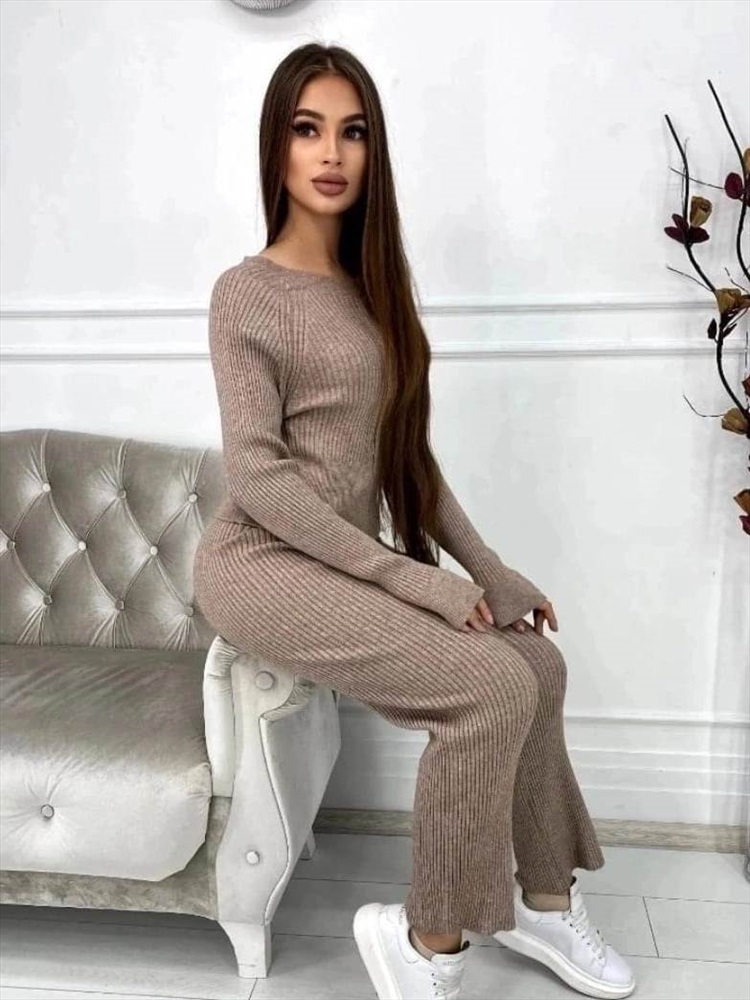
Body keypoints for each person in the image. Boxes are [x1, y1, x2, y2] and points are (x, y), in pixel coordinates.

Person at [193, 42, 636, 1000]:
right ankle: (428, 943)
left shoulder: (376, 293)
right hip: (258, 563)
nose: (331, 153)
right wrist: (413, 576)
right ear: (275, 146)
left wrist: (489, 569)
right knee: (486, 687)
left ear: (373, 151)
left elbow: (408, 465)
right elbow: (260, 480)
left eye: (352, 132)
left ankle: (544, 905)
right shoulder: (245, 294)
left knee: (536, 665)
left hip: (339, 560)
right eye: (307, 129)